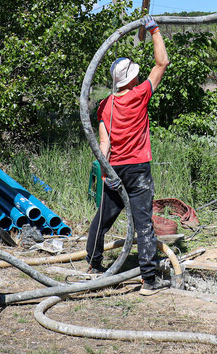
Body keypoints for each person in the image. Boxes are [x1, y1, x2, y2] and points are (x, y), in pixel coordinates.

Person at [85, 15, 171, 295]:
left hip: (115, 169)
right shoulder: (140, 94)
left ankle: (93, 265)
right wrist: (154, 30)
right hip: (138, 169)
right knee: (143, 222)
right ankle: (149, 280)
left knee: (103, 217)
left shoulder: (106, 105)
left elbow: (104, 143)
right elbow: (162, 63)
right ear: (132, 77)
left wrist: (105, 173)